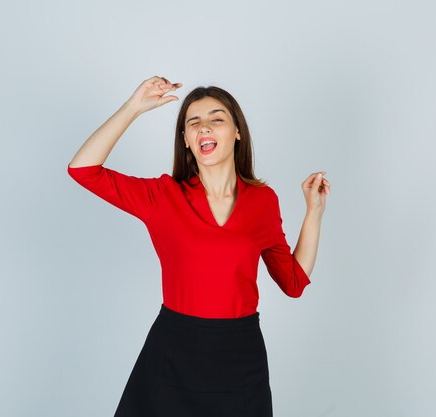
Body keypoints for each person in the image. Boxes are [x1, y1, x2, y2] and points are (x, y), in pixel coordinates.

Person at [67, 76, 329, 417]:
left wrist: (314, 212)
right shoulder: (162, 196)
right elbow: (83, 169)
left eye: (216, 118)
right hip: (174, 353)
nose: (204, 127)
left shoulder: (263, 201)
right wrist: (133, 107)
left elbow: (293, 282)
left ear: (237, 132)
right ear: (187, 141)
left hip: (241, 358)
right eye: (194, 122)